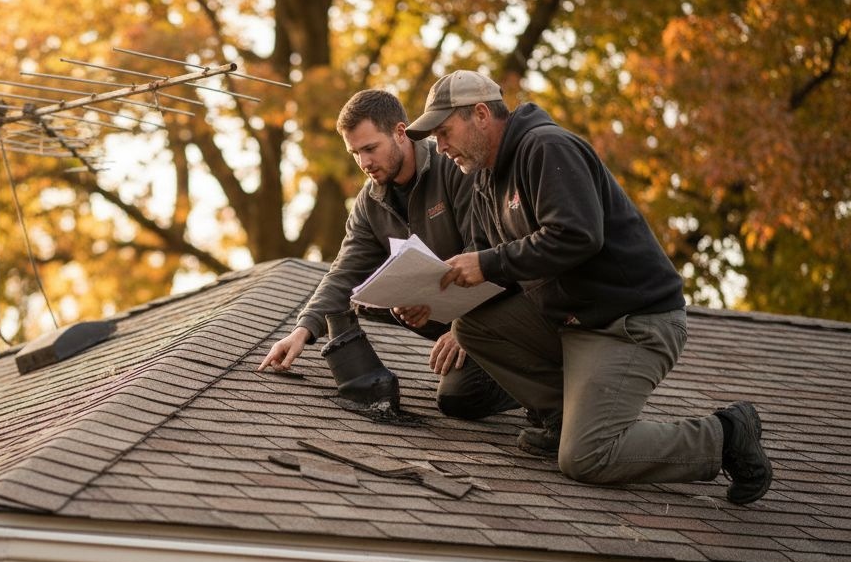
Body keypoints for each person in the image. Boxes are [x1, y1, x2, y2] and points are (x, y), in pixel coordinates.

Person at [404, 69, 772, 505]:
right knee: (471, 326)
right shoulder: (485, 179)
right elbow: (496, 273)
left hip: (631, 322)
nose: (440, 148)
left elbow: (577, 236)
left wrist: (487, 262)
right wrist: (436, 303)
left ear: (481, 115)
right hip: (574, 322)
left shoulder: (545, 147)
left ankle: (726, 433)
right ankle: (562, 418)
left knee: (587, 458)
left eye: (445, 132)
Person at [258, 88, 518, 421]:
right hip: (444, 315)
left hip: (499, 311)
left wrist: (464, 328)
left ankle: (531, 379)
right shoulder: (369, 203)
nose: (364, 163)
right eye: (355, 153)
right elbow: (344, 272)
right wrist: (303, 330)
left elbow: (485, 248)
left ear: (400, 132)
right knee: (456, 399)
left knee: (460, 397)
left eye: (370, 148)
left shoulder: (454, 167)